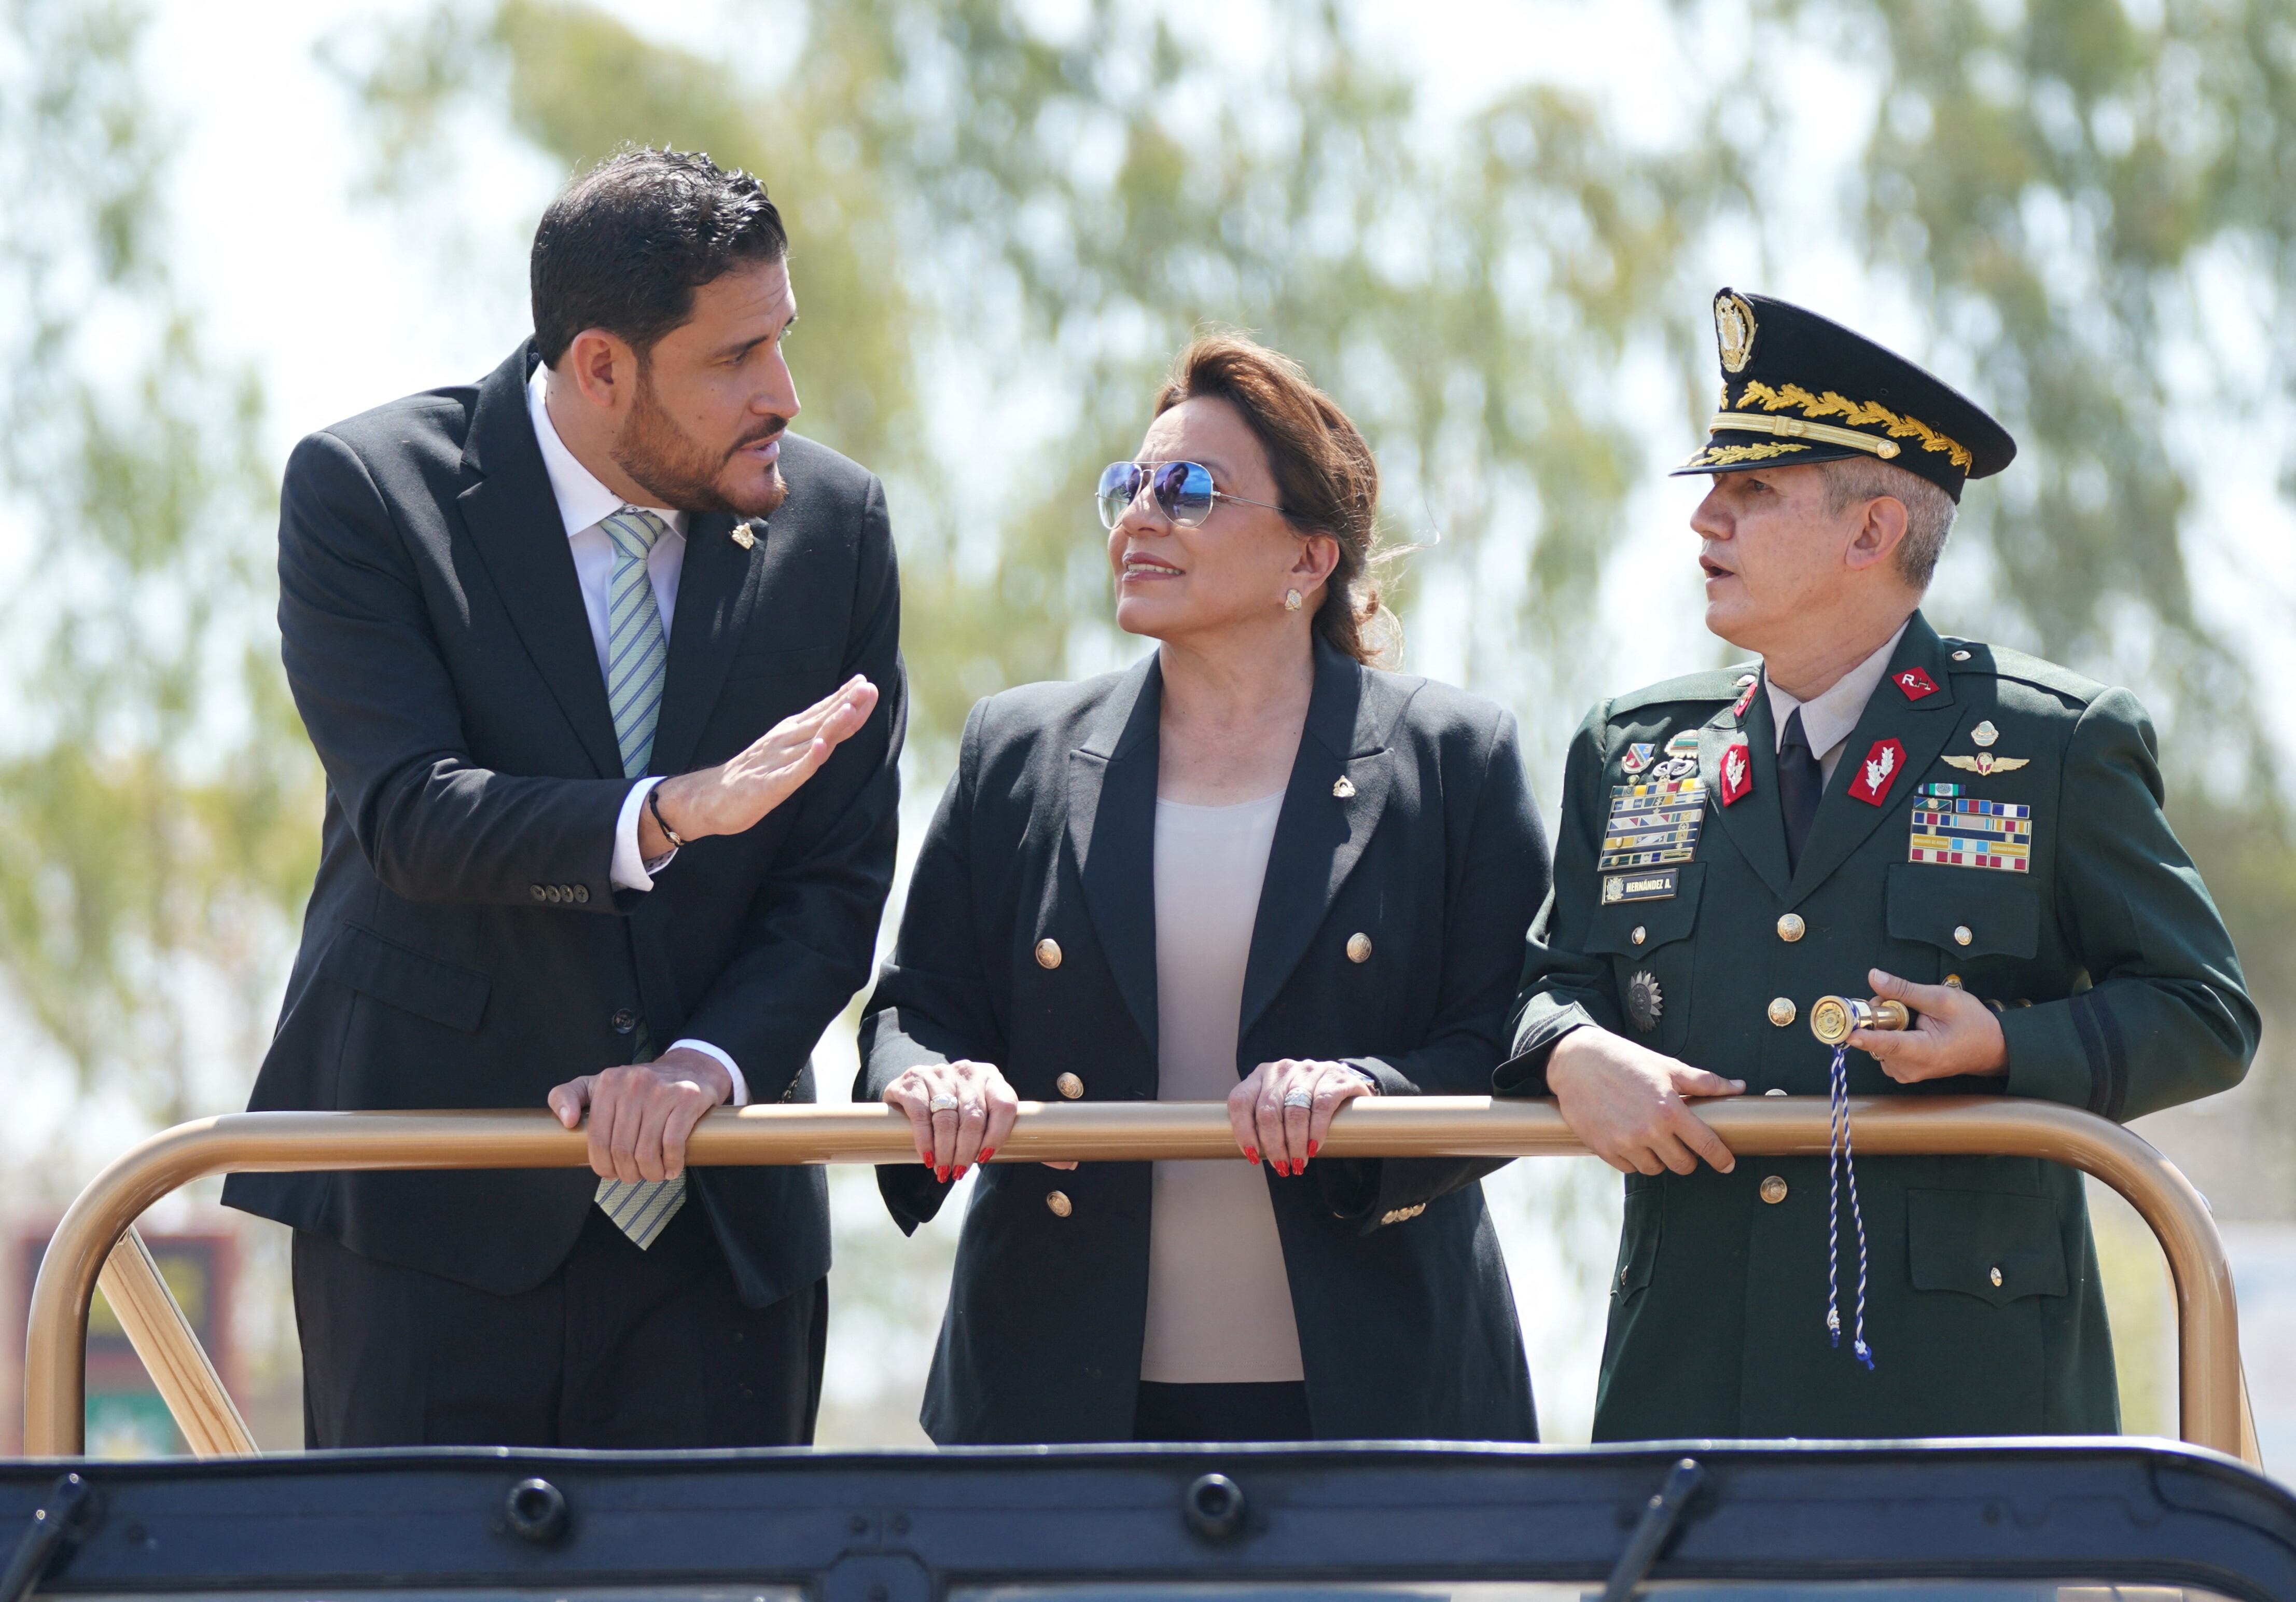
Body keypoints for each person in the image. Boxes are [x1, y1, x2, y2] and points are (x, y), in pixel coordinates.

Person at [223, 148, 905, 1449]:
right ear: (600, 367)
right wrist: (665, 813)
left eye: (782, 338)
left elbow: (836, 886)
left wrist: (706, 1069)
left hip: (722, 1235)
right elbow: (411, 811)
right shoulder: (369, 492)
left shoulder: (839, 526)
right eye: (735, 357)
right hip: (428, 1225)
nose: (783, 391)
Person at [1502, 288, 2259, 1441]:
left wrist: (2005, 1045)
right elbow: (1546, 983)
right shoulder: (1632, 747)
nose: (1704, 518)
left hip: (1961, 1410)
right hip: (1687, 1391)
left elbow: (2205, 1010)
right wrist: (1572, 1052)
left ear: (1871, 533)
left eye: (1755, 490)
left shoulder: (2053, 743)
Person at [857, 334, 1542, 1447]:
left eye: (1187, 490)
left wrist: (1367, 1092)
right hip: (1055, 1391)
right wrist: (935, 1079)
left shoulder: (1455, 754)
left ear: (1307, 558)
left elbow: (1507, 1040)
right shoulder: (1014, 748)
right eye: (1128, 486)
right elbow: (917, 1006)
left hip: (1379, 1396)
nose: (1140, 517)